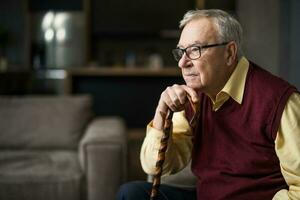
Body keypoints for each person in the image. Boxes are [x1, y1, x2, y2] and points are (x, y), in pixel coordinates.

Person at [117, 9, 300, 200]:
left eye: (195, 50)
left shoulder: (280, 101)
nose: (182, 63)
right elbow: (158, 167)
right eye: (181, 51)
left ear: (229, 53)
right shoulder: (194, 95)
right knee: (131, 194)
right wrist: (162, 114)